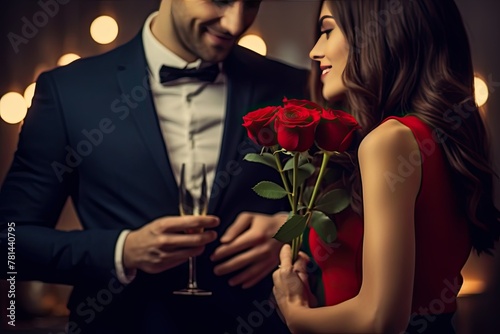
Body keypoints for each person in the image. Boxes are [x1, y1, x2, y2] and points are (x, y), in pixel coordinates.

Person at [0, 0, 309, 333]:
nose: (236, 24)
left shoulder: (294, 87)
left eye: (250, 4)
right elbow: (10, 242)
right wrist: (121, 251)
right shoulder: (68, 91)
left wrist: (291, 230)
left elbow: (351, 216)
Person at [272, 0, 500, 333]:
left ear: (378, 34)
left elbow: (380, 319)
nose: (314, 51)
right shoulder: (437, 135)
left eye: (327, 30)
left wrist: (296, 315)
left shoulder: (388, 141)